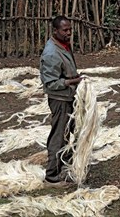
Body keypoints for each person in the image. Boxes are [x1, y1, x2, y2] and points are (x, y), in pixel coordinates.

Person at [39, 15, 82, 186]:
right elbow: (50, 83)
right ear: (55, 31)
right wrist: (71, 82)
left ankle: (66, 162)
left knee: (77, 129)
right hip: (60, 99)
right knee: (59, 135)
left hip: (69, 96)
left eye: (70, 29)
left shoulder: (63, 45)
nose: (69, 33)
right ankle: (52, 175)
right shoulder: (51, 53)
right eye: (65, 30)